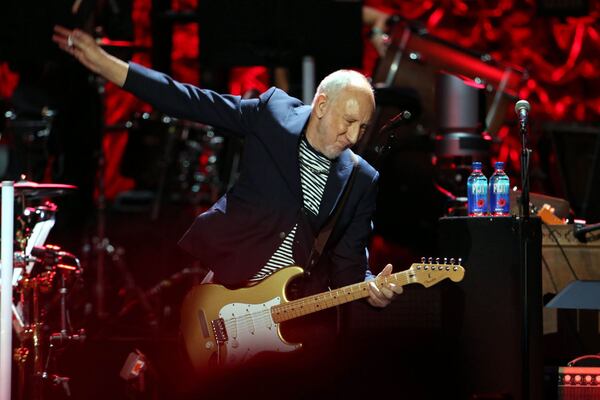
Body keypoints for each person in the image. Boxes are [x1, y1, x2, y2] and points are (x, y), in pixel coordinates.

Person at [52, 25, 403, 395]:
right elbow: (190, 100)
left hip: (294, 317)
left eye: (362, 128)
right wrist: (110, 66)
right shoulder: (273, 115)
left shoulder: (361, 178)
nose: (352, 136)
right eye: (348, 122)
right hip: (226, 296)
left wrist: (370, 288)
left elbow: (349, 267)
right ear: (321, 105)